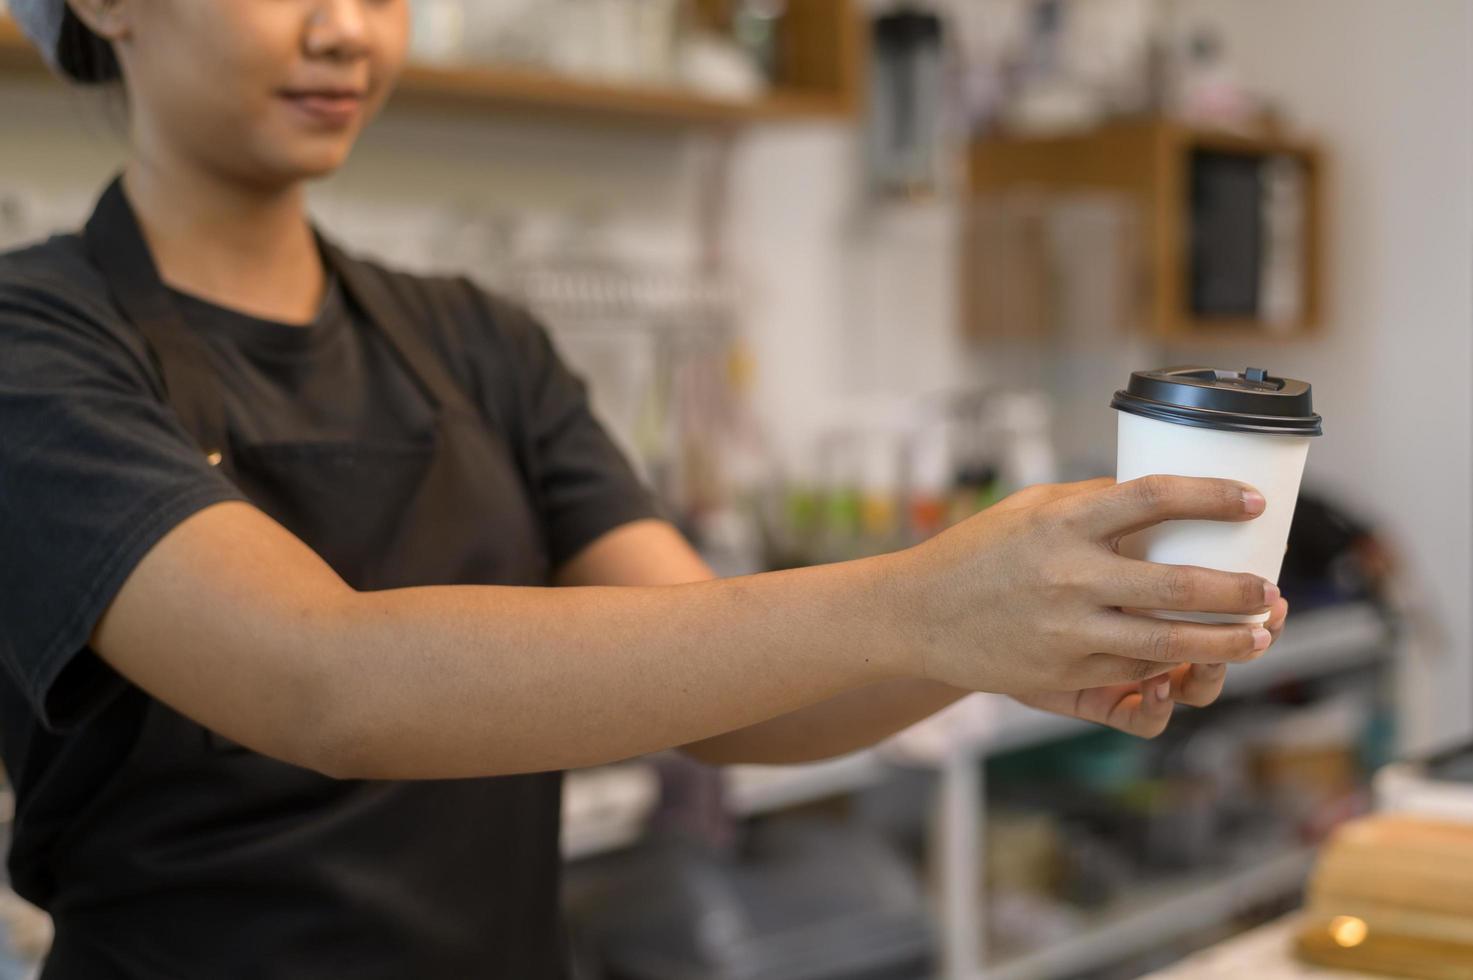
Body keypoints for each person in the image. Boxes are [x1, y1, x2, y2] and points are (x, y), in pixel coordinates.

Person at [0, 1, 1290, 977]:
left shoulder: (475, 341)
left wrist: (1013, 637)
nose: (347, 32)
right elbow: (323, 679)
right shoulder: (36, 349)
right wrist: (923, 601)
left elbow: (737, 704)